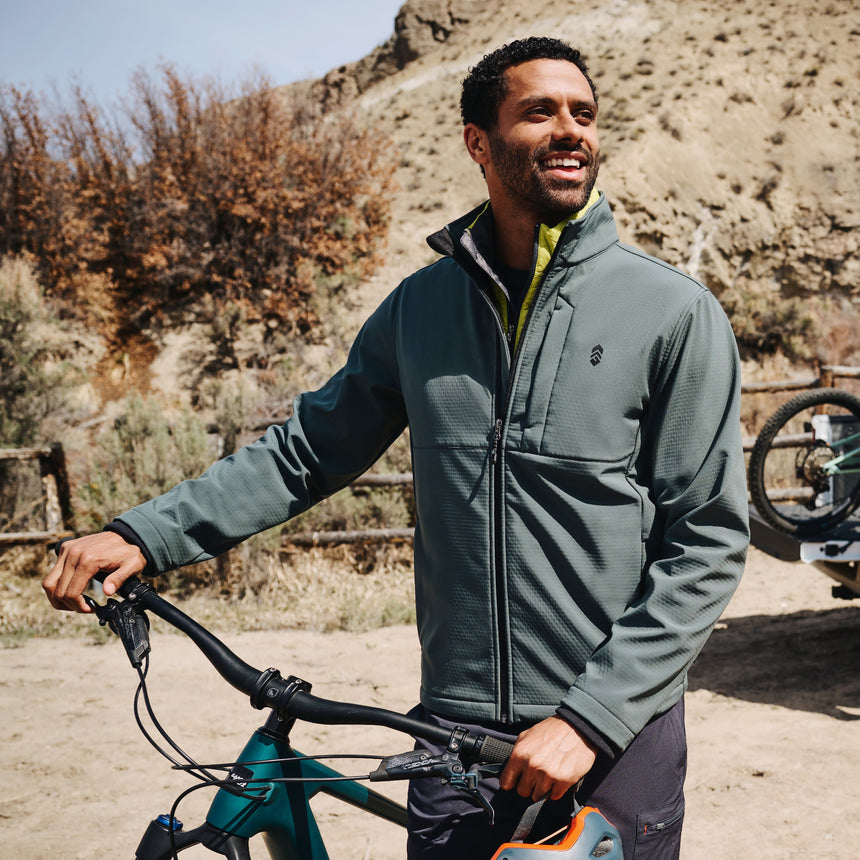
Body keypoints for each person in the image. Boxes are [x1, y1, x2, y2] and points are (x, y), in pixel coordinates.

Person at [43, 36, 749, 858]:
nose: (571, 130)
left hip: (610, 741)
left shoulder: (673, 313)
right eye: (540, 112)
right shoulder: (420, 310)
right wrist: (143, 535)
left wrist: (589, 719)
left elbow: (707, 542)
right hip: (452, 736)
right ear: (478, 141)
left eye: (583, 114)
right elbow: (306, 451)